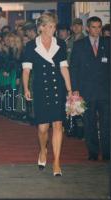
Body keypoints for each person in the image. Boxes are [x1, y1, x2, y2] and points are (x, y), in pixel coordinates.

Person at [22, 12, 72, 176]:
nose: (53, 29)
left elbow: (64, 68)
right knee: (43, 128)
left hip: (57, 87)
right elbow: (26, 70)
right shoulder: (30, 46)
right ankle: (43, 150)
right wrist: (26, 88)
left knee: (58, 125)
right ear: (41, 27)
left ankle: (56, 162)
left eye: (54, 26)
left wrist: (70, 89)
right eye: (49, 26)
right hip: (40, 89)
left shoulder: (61, 44)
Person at [70, 16, 110, 161]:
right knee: (89, 123)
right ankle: (93, 152)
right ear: (87, 28)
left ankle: (107, 153)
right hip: (86, 91)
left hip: (105, 92)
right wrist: (75, 89)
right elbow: (73, 68)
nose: (97, 30)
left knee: (107, 124)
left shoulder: (108, 43)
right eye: (93, 27)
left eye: (99, 27)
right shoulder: (79, 45)